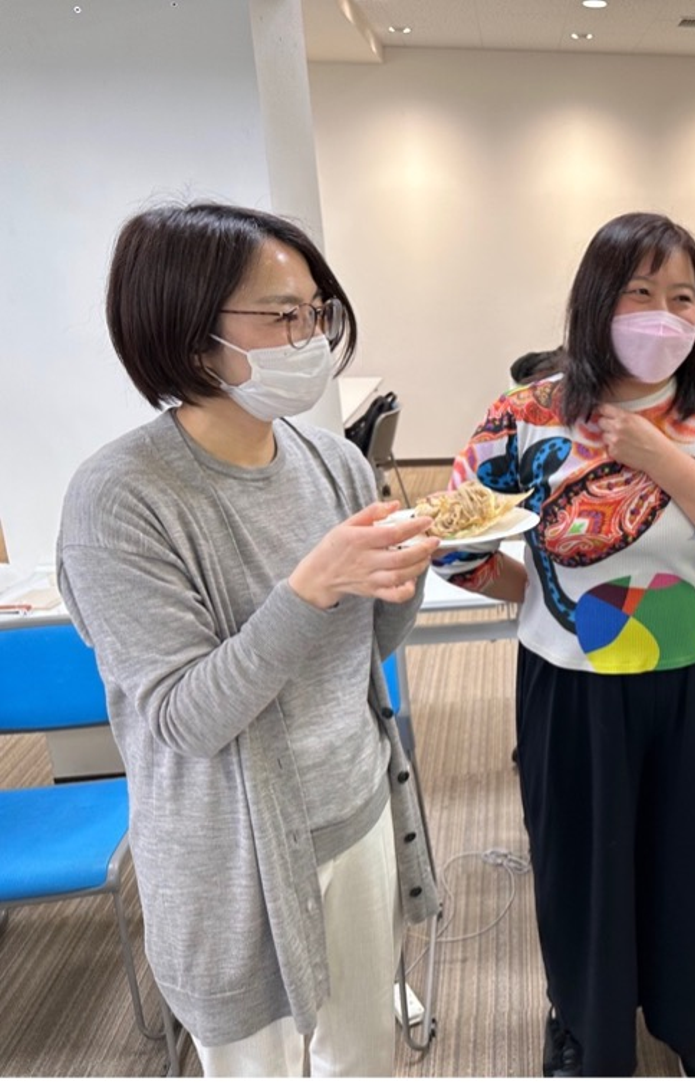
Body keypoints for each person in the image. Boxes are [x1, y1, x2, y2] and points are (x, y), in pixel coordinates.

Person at [56, 203, 440, 1076]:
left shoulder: (333, 461)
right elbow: (186, 718)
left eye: (316, 312)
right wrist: (310, 587)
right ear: (192, 335)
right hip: (230, 858)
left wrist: (405, 572)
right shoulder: (120, 498)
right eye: (281, 315)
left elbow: (366, 650)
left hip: (357, 808)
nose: (311, 338)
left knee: (361, 1057)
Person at [433, 211, 695, 1077]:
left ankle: (692, 1017)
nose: (664, 315)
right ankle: (583, 1024)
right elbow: (451, 538)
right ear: (596, 301)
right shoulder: (528, 413)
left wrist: (660, 456)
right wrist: (540, 599)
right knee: (582, 865)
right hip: (572, 682)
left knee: (691, 853)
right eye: (640, 292)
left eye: (683, 297)